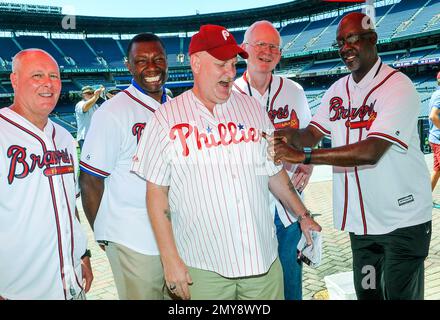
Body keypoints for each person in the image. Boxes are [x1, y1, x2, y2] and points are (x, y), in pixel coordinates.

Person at [131, 24, 321, 300]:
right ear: (196, 63)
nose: (230, 73)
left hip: (263, 263)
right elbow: (156, 194)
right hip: (203, 268)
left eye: (233, 64)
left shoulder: (252, 109)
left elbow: (273, 172)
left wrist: (303, 215)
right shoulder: (165, 119)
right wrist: (170, 259)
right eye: (221, 64)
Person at [267, 12, 432, 300]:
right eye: (340, 42)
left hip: (402, 223)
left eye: (352, 39)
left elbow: (371, 152)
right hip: (363, 226)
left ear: (372, 39)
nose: (345, 48)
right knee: (368, 295)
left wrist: (304, 156)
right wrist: (285, 133)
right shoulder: (337, 90)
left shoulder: (398, 86)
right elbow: (311, 133)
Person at [79, 33, 170, 300]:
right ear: (128, 65)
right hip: (133, 239)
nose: (152, 67)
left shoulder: (174, 106)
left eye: (158, 59)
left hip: (175, 237)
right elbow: (90, 181)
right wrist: (104, 234)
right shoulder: (112, 112)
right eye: (141, 61)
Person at [0, 49, 93, 300]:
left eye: (54, 76)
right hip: (20, 291)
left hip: (73, 284)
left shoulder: (63, 137)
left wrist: (83, 254)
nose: (48, 83)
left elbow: (68, 206)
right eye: (37, 75)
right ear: (15, 80)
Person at [234, 20, 313, 300]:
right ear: (244, 49)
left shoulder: (294, 91)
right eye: (260, 44)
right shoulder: (228, 95)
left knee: (291, 285)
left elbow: (309, 135)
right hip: (245, 211)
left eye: (273, 47)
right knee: (255, 290)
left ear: (279, 54)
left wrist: (308, 163)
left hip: (288, 210)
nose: (267, 51)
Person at [428, 72, 440, 201]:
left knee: (437, 171)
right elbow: (433, 116)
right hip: (438, 139)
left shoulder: (435, 94)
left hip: (434, 138)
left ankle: (425, 198)